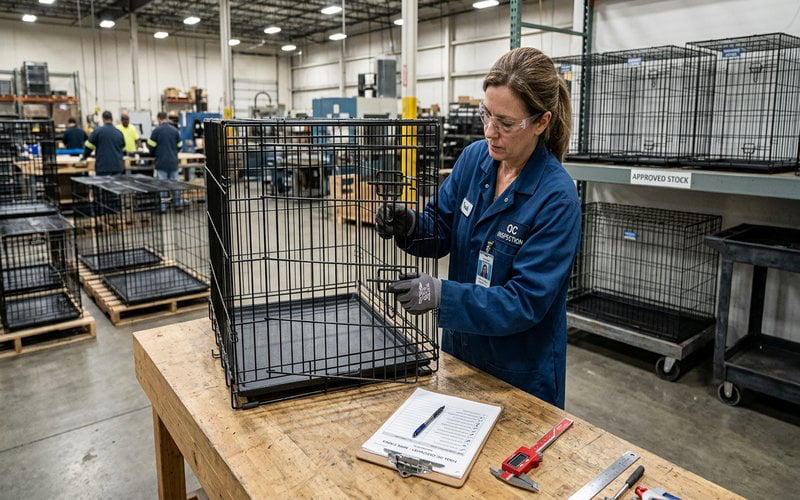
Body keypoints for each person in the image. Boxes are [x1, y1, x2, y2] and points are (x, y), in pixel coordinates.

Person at [377, 47, 581, 409]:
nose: (490, 132)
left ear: (541, 122)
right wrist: (410, 225)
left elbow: (524, 301)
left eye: (505, 123)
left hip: (519, 372)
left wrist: (442, 295)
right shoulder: (474, 160)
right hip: (460, 353)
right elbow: (441, 227)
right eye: (486, 115)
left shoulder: (556, 198)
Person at [148, 111, 183, 207]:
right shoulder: (175, 130)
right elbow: (180, 146)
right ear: (166, 118)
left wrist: (154, 154)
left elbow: (151, 147)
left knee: (162, 186)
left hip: (161, 163)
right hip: (173, 162)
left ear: (159, 118)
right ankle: (178, 205)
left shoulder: (156, 131)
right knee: (175, 185)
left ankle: (163, 207)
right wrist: (173, 152)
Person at [83, 110, 125, 175]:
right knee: (116, 182)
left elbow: (88, 146)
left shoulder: (97, 131)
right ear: (112, 119)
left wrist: (84, 157)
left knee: (103, 182)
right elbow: (123, 147)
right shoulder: (119, 133)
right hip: (117, 167)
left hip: (103, 167)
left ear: (103, 119)